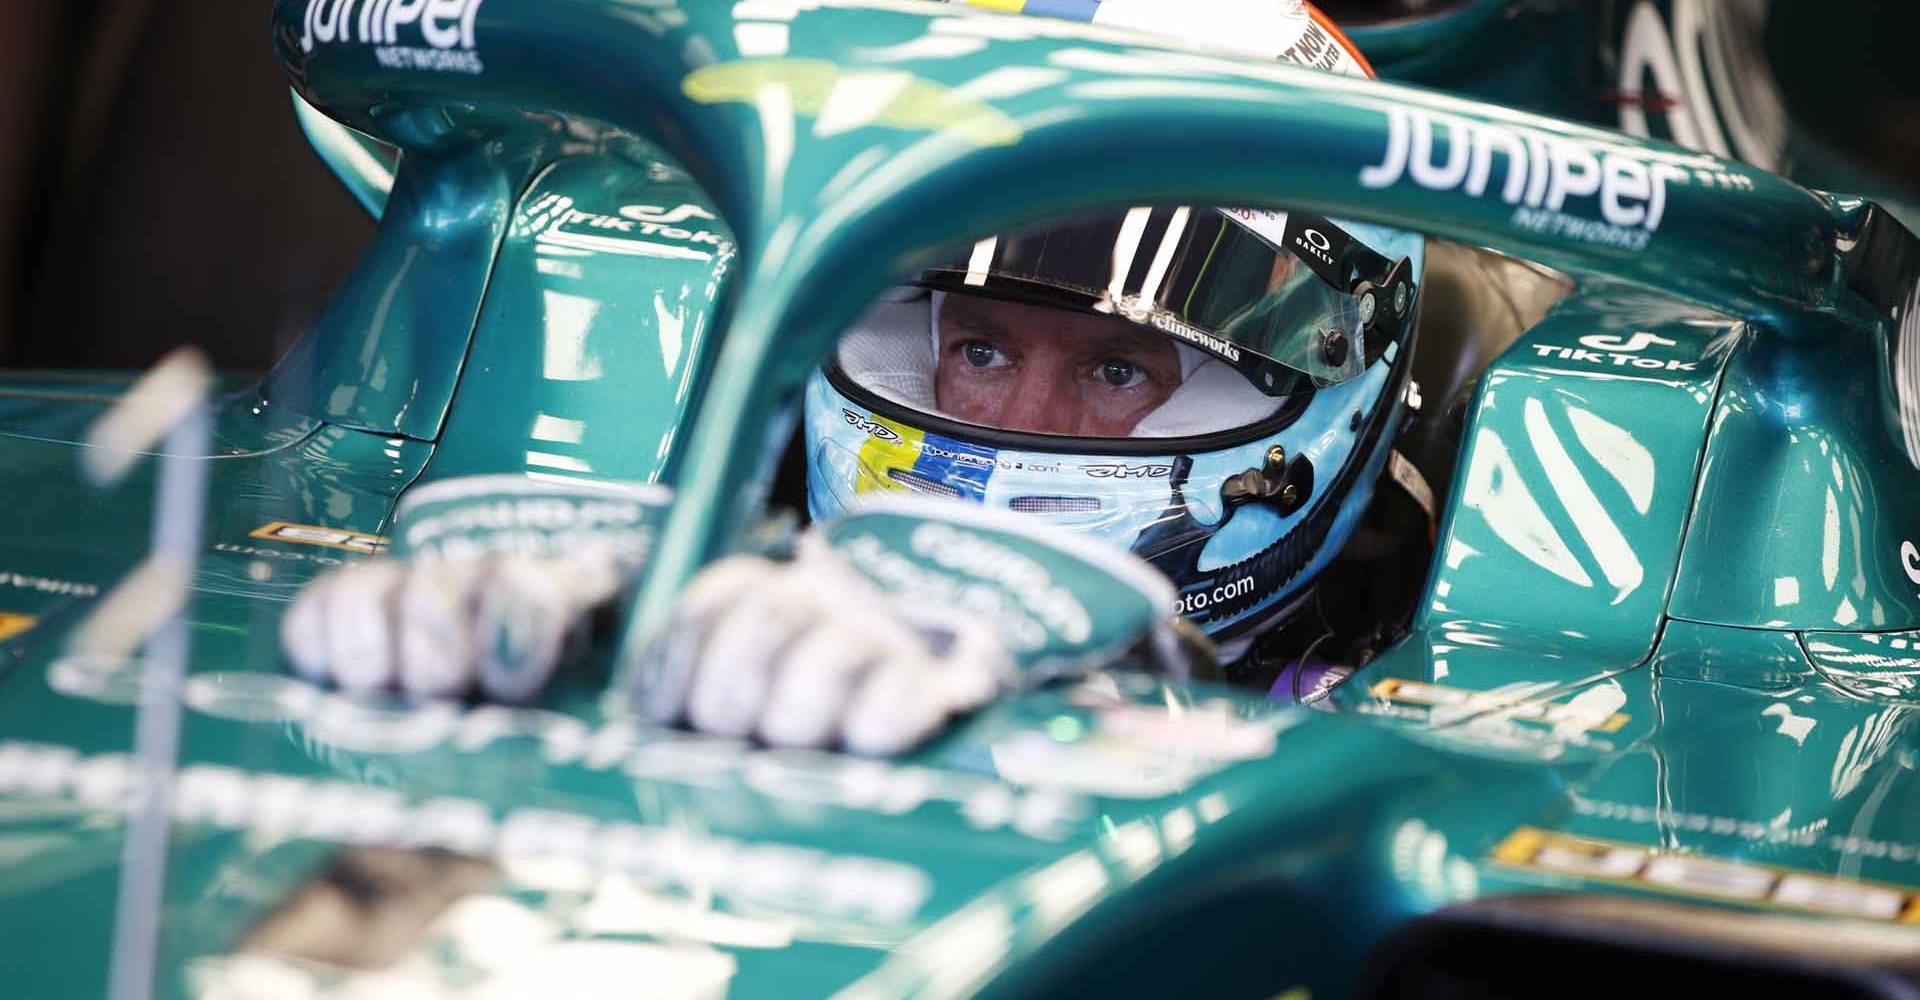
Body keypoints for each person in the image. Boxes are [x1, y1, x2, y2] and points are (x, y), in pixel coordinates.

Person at [284, 0, 1440, 751]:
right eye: (978, 350)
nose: (1020, 421)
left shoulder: (1406, 735)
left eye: (1123, 367)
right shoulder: (722, 601)